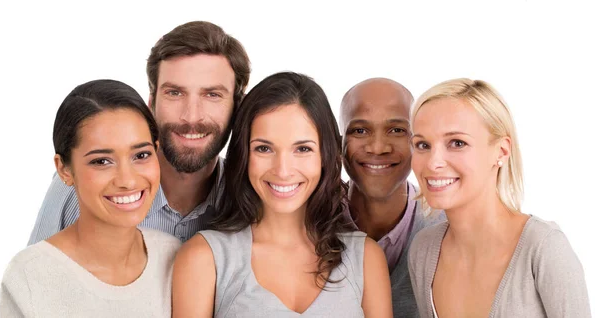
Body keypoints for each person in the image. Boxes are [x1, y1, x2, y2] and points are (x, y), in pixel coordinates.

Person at [172, 72, 393, 317]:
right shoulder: (204, 258)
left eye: (302, 148)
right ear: (244, 155)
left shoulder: (366, 259)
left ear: (325, 155)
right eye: (264, 148)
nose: (283, 170)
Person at [28, 21, 251, 244]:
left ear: (237, 107)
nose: (191, 116)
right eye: (174, 93)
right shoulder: (83, 183)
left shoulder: (251, 201)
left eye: (212, 95)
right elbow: (35, 272)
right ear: (151, 104)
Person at [408, 78, 591, 317]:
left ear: (501, 151)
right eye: (422, 145)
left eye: (457, 143)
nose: (433, 162)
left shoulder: (544, 248)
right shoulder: (423, 250)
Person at [0, 79, 181, 317]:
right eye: (101, 161)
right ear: (64, 169)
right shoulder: (30, 276)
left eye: (141, 155)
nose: (127, 179)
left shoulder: (175, 257)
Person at [340, 78, 445, 316]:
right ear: (339, 144)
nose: (378, 147)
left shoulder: (448, 229)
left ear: (417, 142)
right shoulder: (310, 225)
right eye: (360, 130)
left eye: (397, 130)